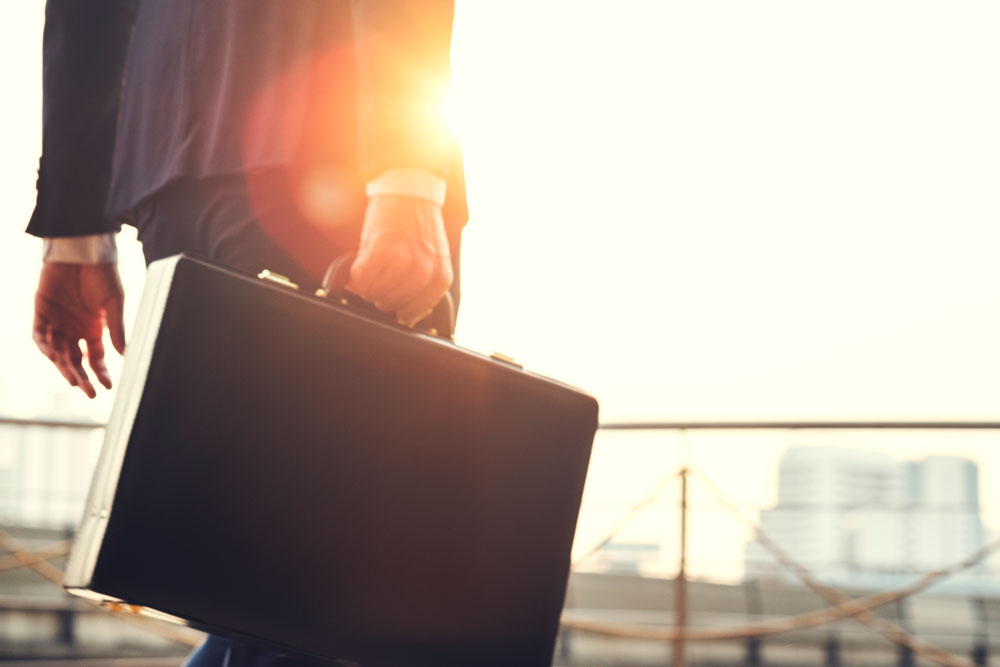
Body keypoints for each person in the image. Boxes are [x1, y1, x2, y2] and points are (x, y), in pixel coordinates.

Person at [26, 1, 468, 663]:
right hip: (326, 144)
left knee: (277, 580)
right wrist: (405, 161)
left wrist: (76, 229)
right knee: (341, 574)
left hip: (173, 151)